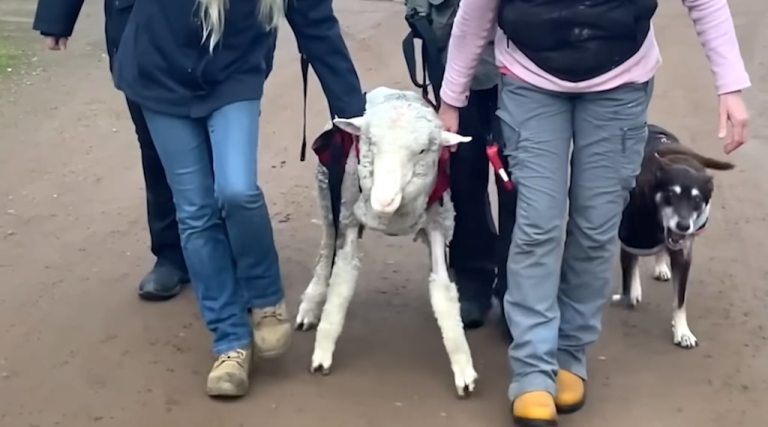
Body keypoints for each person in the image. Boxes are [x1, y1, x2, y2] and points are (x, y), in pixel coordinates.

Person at [438, 0, 750, 425]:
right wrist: (452, 96)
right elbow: (477, 9)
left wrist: (729, 84)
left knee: (595, 227)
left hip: (620, 80)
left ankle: (570, 353)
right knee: (537, 226)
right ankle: (533, 371)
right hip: (531, 77)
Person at [109, 0, 364, 398]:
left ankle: (265, 299)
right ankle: (229, 343)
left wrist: (354, 115)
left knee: (237, 189)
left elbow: (314, 19)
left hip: (233, 71)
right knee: (194, 210)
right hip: (157, 70)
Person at [33, 0, 189, 301]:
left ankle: (233, 249)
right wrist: (57, 15)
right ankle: (172, 253)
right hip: (136, 26)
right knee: (155, 144)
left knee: (222, 140)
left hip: (217, 25)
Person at [403, 0, 518, 332]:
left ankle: (518, 289)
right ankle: (472, 276)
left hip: (520, 61)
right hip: (449, 49)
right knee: (464, 174)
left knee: (517, 178)